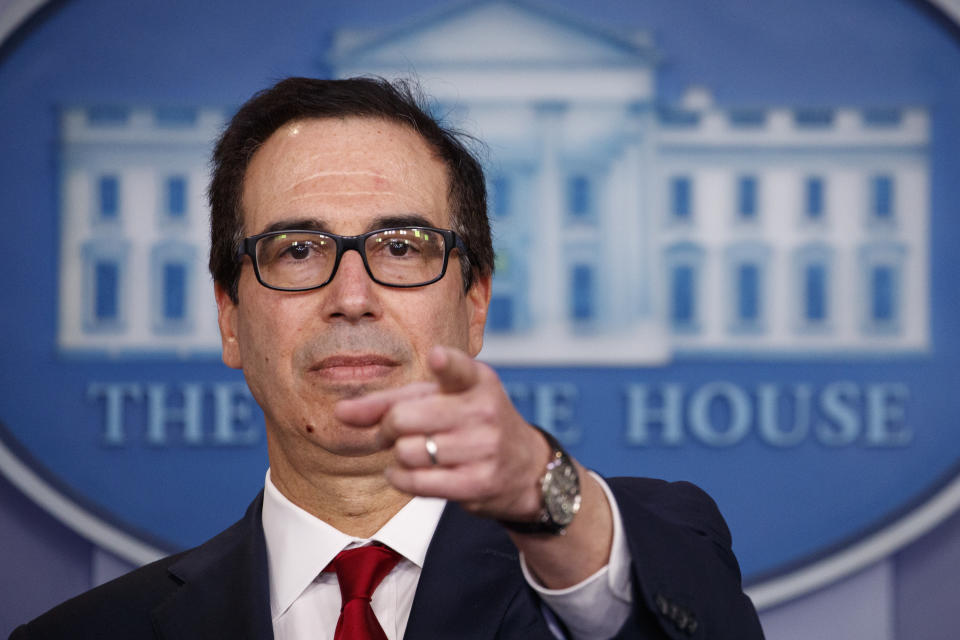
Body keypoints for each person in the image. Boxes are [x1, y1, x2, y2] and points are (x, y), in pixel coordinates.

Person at [10, 77, 763, 639]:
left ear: (475, 306)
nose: (352, 295)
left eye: (400, 247)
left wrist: (548, 500)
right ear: (229, 318)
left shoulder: (626, 553)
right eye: (297, 249)